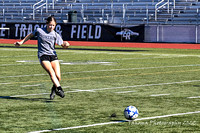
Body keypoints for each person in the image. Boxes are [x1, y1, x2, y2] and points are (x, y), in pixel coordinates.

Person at [14, 16, 70, 100]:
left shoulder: (55, 34)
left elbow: (62, 45)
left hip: (53, 55)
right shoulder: (40, 31)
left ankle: (53, 89)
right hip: (43, 55)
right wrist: (21, 42)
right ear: (47, 24)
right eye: (50, 25)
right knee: (52, 73)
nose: (51, 27)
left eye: (53, 25)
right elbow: (30, 35)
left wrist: (66, 45)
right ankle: (60, 89)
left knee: (58, 77)